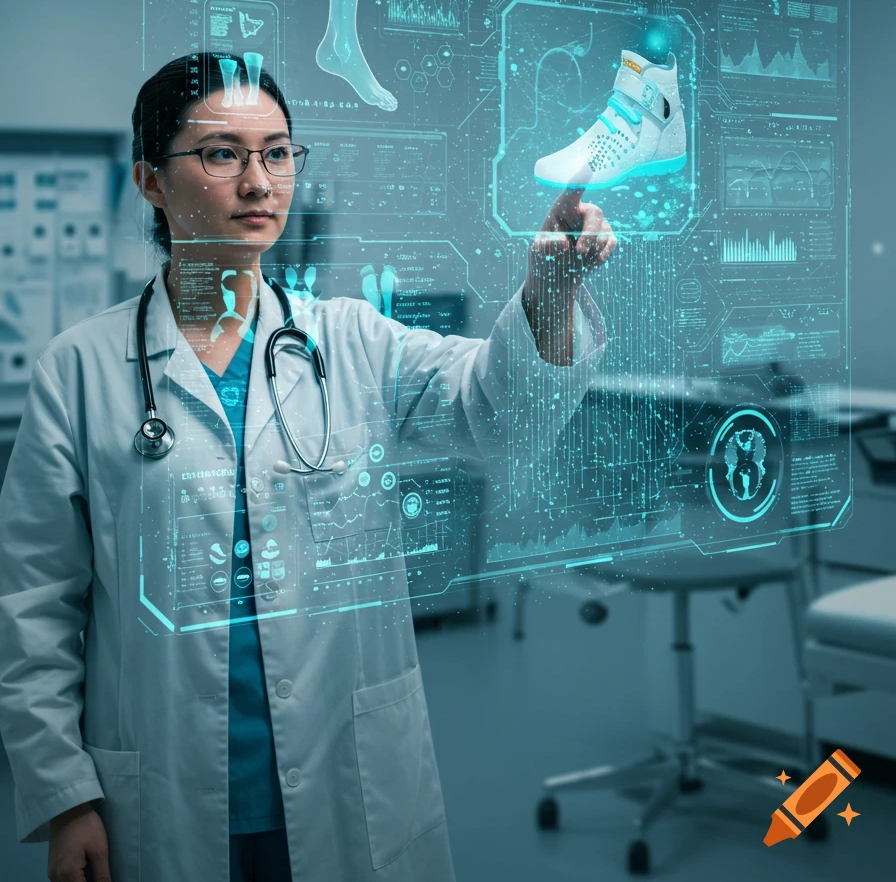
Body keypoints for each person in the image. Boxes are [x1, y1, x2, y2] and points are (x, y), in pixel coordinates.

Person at [0, 53, 615, 882]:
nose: (260, 181)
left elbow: (498, 418)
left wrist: (546, 291)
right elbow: (35, 606)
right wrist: (66, 795)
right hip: (163, 788)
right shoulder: (79, 371)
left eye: (279, 152)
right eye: (222, 153)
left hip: (347, 778)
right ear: (151, 180)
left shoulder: (353, 342)